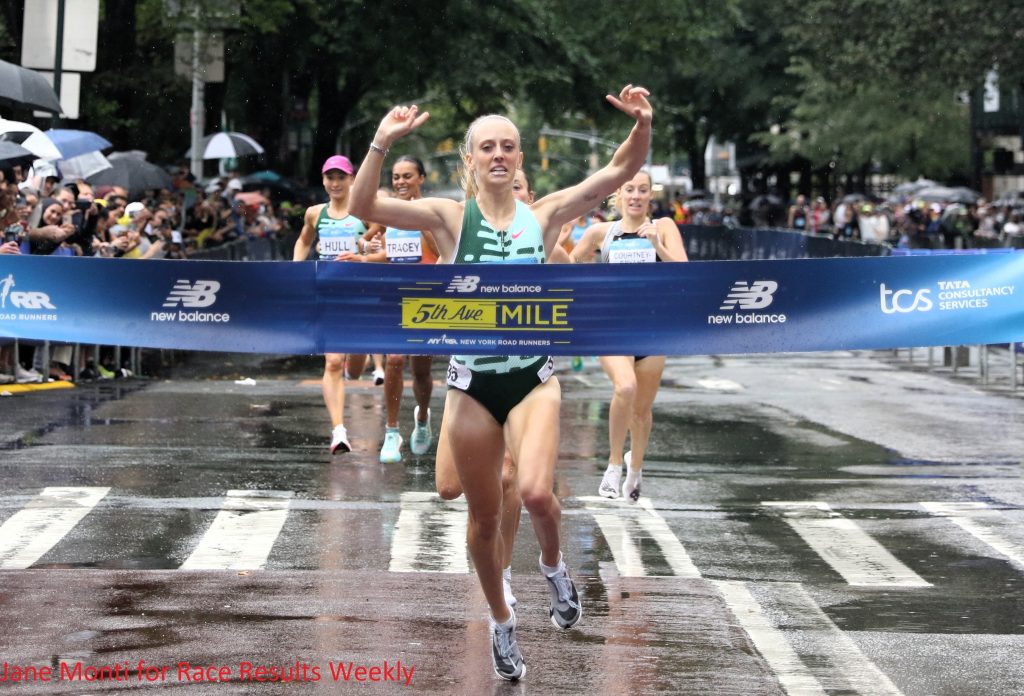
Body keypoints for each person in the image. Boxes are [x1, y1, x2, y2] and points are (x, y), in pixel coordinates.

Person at [349, 85, 653, 682]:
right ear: (470, 160)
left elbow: (621, 169)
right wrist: (382, 141)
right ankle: (501, 620)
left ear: (519, 160)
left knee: (537, 493)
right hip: (471, 386)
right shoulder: (447, 217)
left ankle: (553, 565)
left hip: (532, 379)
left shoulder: (543, 217)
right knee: (483, 523)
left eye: (508, 147)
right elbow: (365, 204)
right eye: (486, 147)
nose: (498, 155)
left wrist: (642, 123)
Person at [569, 170, 688, 501]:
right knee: (625, 387)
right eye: (629, 189)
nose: (635, 195)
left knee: (641, 412)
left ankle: (634, 469)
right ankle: (611, 467)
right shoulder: (600, 233)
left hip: (652, 331)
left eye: (643, 190)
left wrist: (657, 246)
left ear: (651, 196)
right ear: (617, 195)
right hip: (612, 328)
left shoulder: (663, 227)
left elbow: (685, 271)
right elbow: (569, 264)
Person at [293, 155, 373, 454]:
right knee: (333, 361)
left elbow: (378, 243)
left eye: (341, 177)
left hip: (361, 295)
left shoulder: (365, 212)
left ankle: (355, 372)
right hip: (326, 294)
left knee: (355, 361)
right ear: (324, 181)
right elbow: (303, 241)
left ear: (351, 179)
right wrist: (296, 268)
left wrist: (367, 251)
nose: (335, 183)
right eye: (330, 178)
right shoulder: (315, 213)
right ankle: (339, 430)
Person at [374, 156, 441, 463]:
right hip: (394, 297)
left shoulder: (433, 211)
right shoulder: (388, 215)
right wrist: (366, 254)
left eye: (407, 176)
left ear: (421, 179)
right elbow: (385, 252)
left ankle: (423, 417)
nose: (400, 182)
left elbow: (443, 251)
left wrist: (420, 218)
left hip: (426, 300)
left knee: (421, 371)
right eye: (396, 177)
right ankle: (391, 431)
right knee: (394, 360)